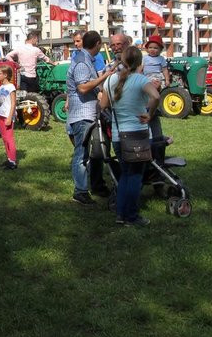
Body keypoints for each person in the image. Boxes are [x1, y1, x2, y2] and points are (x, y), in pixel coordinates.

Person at [99, 46, 160, 226]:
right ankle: (131, 216)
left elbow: (103, 105)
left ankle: (121, 214)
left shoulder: (111, 80)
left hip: (119, 136)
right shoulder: (141, 80)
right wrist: (149, 114)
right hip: (138, 134)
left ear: (123, 61)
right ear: (141, 62)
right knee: (135, 177)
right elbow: (156, 96)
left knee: (125, 175)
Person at [66, 30, 116, 205]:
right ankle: (80, 191)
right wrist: (104, 76)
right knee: (81, 154)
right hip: (81, 115)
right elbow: (83, 88)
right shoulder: (81, 62)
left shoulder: (86, 60)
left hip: (87, 114)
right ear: (97, 44)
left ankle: (90, 186)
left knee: (89, 153)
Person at [142, 34, 173, 154]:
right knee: (148, 87)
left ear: (160, 50)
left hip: (157, 76)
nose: (153, 50)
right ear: (147, 48)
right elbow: (141, 68)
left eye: (156, 48)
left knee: (157, 85)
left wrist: (167, 79)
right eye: (151, 48)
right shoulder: (144, 59)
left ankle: (155, 105)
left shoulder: (161, 59)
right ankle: (151, 105)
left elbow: (165, 70)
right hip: (147, 77)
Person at [0, 65, 18, 170]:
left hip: (7, 116)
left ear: (5, 75)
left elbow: (13, 103)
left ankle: (13, 161)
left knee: (9, 138)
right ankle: (9, 158)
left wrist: (9, 117)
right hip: (0, 114)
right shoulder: (0, 87)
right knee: (4, 138)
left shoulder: (11, 87)